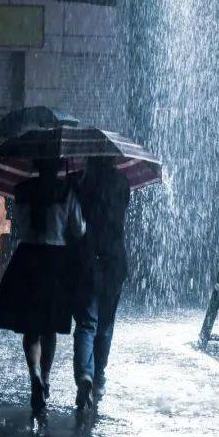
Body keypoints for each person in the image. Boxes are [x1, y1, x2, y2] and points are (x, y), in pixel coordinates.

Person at [0, 158, 85, 416]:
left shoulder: (23, 190)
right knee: (50, 327)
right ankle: (46, 376)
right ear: (58, 166)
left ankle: (33, 375)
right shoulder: (66, 191)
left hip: (28, 258)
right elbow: (79, 229)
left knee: (31, 327)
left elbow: (18, 225)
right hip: (55, 260)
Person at [72, 157, 130, 410]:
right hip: (115, 260)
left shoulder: (80, 184)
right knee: (106, 324)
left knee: (86, 322)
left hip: (87, 258)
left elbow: (75, 223)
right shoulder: (122, 183)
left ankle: (84, 373)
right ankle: (99, 377)